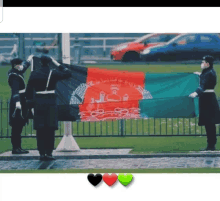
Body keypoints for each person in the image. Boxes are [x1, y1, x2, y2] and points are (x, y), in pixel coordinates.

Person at [25, 55, 72, 161]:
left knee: (40, 129)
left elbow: (28, 91)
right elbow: (68, 73)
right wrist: (57, 64)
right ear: (50, 62)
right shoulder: (53, 72)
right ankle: (49, 153)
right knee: (50, 129)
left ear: (40, 62)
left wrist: (30, 105)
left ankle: (41, 153)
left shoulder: (34, 73)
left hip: (38, 102)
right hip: (50, 101)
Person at [189, 55, 220, 151]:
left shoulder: (209, 73)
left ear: (208, 63)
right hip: (207, 99)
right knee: (209, 123)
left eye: (203, 62)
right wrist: (200, 74)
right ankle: (211, 144)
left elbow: (203, 85)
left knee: (209, 123)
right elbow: (205, 80)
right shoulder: (209, 72)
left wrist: (196, 93)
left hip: (208, 100)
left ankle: (211, 145)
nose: (202, 64)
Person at [8, 55, 34, 154]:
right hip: (17, 102)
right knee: (16, 126)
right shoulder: (14, 76)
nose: (20, 66)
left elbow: (24, 66)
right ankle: (15, 148)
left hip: (22, 100)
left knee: (19, 126)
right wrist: (18, 103)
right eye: (18, 64)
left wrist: (29, 59)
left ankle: (18, 147)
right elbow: (15, 91)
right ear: (15, 65)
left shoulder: (16, 72)